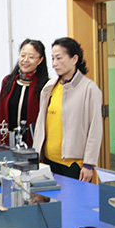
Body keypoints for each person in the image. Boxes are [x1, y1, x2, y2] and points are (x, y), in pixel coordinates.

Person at [33, 37, 102, 183]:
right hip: (48, 162)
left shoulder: (89, 88)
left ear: (74, 59)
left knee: (74, 198)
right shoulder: (50, 87)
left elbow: (95, 130)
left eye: (59, 58)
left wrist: (89, 164)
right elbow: (41, 124)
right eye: (53, 58)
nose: (54, 63)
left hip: (74, 165)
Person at [0, 38, 49, 147]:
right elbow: (0, 114)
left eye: (31, 57)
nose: (25, 60)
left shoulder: (45, 86)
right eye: (22, 55)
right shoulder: (8, 82)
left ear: (40, 60)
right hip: (8, 145)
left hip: (33, 145)